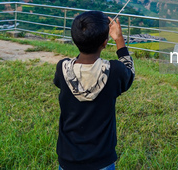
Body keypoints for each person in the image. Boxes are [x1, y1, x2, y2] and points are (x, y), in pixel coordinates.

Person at [54, 11, 134, 170]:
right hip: (102, 159)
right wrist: (119, 40)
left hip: (68, 157)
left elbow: (71, 74)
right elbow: (129, 72)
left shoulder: (62, 68)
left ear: (74, 39)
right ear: (105, 43)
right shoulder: (115, 71)